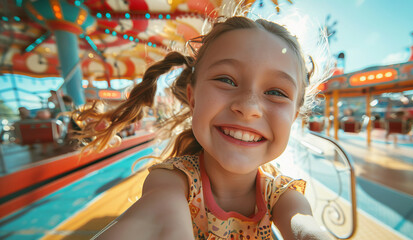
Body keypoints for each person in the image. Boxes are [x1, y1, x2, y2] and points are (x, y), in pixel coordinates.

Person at [77, 16, 331, 240]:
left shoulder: (280, 195)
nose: (249, 106)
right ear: (193, 98)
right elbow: (158, 216)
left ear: (294, 116)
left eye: (276, 92)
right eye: (226, 80)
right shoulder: (173, 181)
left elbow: (306, 228)